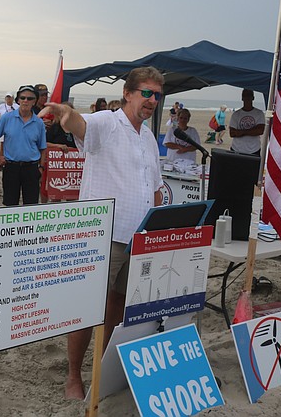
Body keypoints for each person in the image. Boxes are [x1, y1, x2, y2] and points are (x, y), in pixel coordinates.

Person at [44, 66, 164, 399]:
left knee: (118, 307)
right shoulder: (107, 123)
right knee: (86, 308)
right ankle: (73, 377)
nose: (152, 100)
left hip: (138, 237)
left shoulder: (149, 137)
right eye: (146, 93)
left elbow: (155, 187)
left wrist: (154, 231)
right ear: (128, 93)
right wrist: (66, 114)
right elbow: (78, 124)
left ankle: (101, 367)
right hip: (103, 235)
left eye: (157, 94)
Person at [0, 85, 47, 206]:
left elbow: (42, 148)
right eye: (23, 97)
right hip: (11, 168)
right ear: (18, 100)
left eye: (30, 98)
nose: (26, 101)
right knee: (10, 204)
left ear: (35, 101)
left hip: (31, 169)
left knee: (31, 205)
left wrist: (41, 167)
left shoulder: (39, 123)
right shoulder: (7, 118)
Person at [229, 89, 265, 155]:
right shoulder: (236, 114)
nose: (247, 98)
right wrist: (252, 130)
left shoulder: (259, 113)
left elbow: (260, 131)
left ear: (253, 98)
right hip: (236, 149)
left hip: (254, 150)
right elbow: (232, 133)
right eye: (245, 95)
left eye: (249, 95)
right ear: (242, 98)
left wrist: (241, 132)